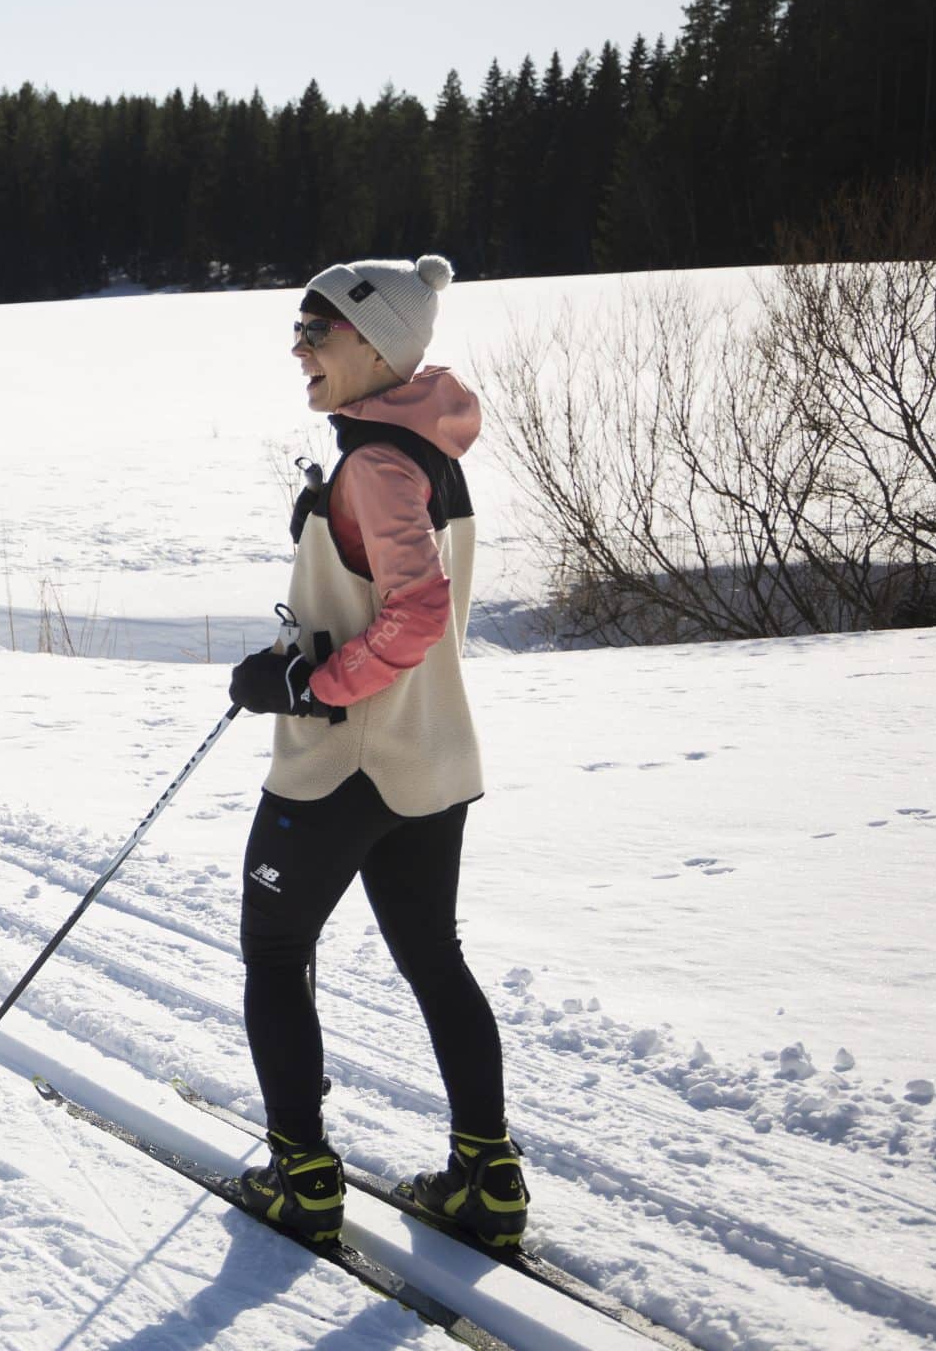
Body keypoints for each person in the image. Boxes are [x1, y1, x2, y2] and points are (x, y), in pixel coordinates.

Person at [224, 255, 527, 1248]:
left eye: (319, 329)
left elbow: (416, 615)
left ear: (378, 344)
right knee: (434, 959)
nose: (299, 346)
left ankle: (302, 1176)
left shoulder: (375, 463)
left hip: (343, 767)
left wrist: (308, 687)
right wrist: (295, 652)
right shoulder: (420, 452)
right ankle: (487, 1177)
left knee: (274, 951)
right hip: (429, 761)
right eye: (299, 328)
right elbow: (381, 605)